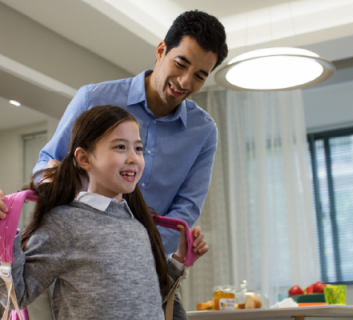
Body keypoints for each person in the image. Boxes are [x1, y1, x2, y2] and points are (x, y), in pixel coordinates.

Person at [0, 9, 228, 317]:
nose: (185, 81)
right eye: (181, 63)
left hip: (150, 260)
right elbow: (47, 166)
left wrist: (147, 254)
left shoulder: (204, 131)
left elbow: (186, 208)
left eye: (200, 75)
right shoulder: (92, 98)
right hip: (81, 265)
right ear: (161, 51)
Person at [0, 106, 207, 320]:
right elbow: (15, 294)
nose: (134, 158)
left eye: (138, 148)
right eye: (120, 147)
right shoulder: (64, 223)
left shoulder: (136, 225)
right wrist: (2, 234)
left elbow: (147, 299)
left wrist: (179, 260)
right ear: (84, 159)